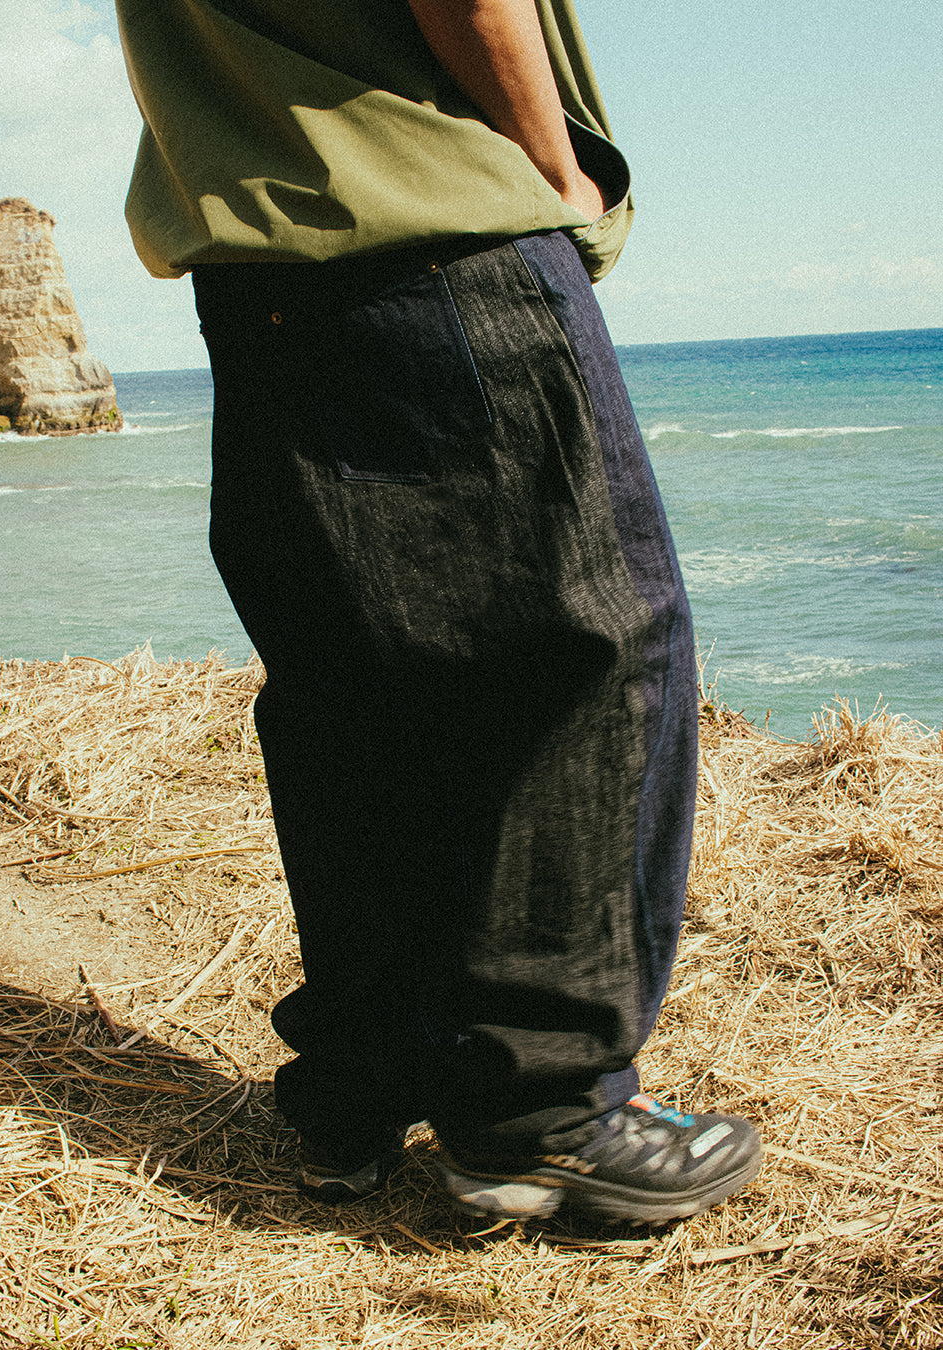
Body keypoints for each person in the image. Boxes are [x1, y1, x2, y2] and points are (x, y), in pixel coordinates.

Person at [115, 0, 761, 1224]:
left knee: (354, 682)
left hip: (256, 264)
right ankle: (542, 1110)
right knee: (592, 655)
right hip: (437, 224)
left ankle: (362, 1082)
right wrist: (555, 171)